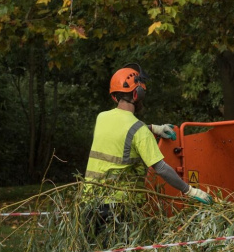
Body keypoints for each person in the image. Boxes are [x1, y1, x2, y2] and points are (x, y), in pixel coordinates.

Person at [84, 63, 211, 241]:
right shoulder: (138, 131)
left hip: (91, 200)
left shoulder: (101, 118)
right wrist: (189, 190)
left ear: (115, 96)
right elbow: (161, 168)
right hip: (119, 207)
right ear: (137, 94)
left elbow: (121, 131)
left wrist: (154, 128)